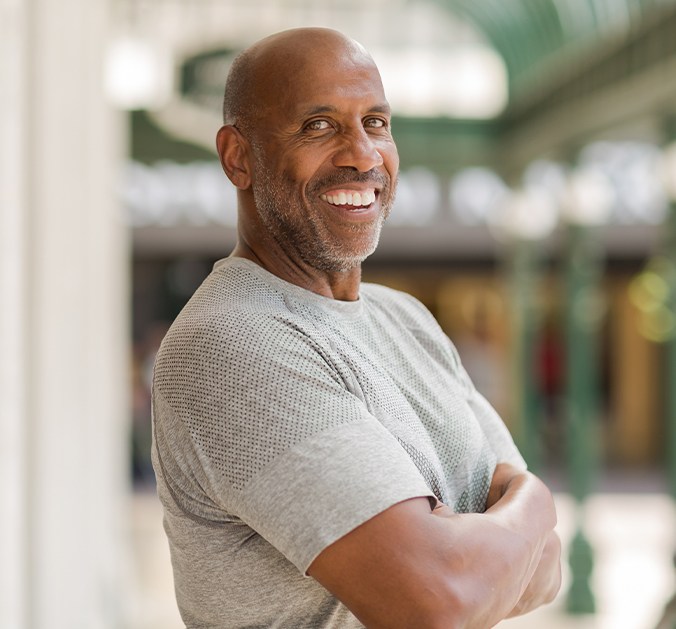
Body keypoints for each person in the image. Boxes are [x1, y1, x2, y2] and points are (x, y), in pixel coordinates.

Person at [151, 27, 561, 628]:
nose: (362, 155)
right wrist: (536, 504)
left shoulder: (405, 319)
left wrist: (489, 544)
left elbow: (547, 568)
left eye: (375, 122)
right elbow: (439, 601)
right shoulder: (231, 344)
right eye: (318, 126)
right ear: (238, 156)